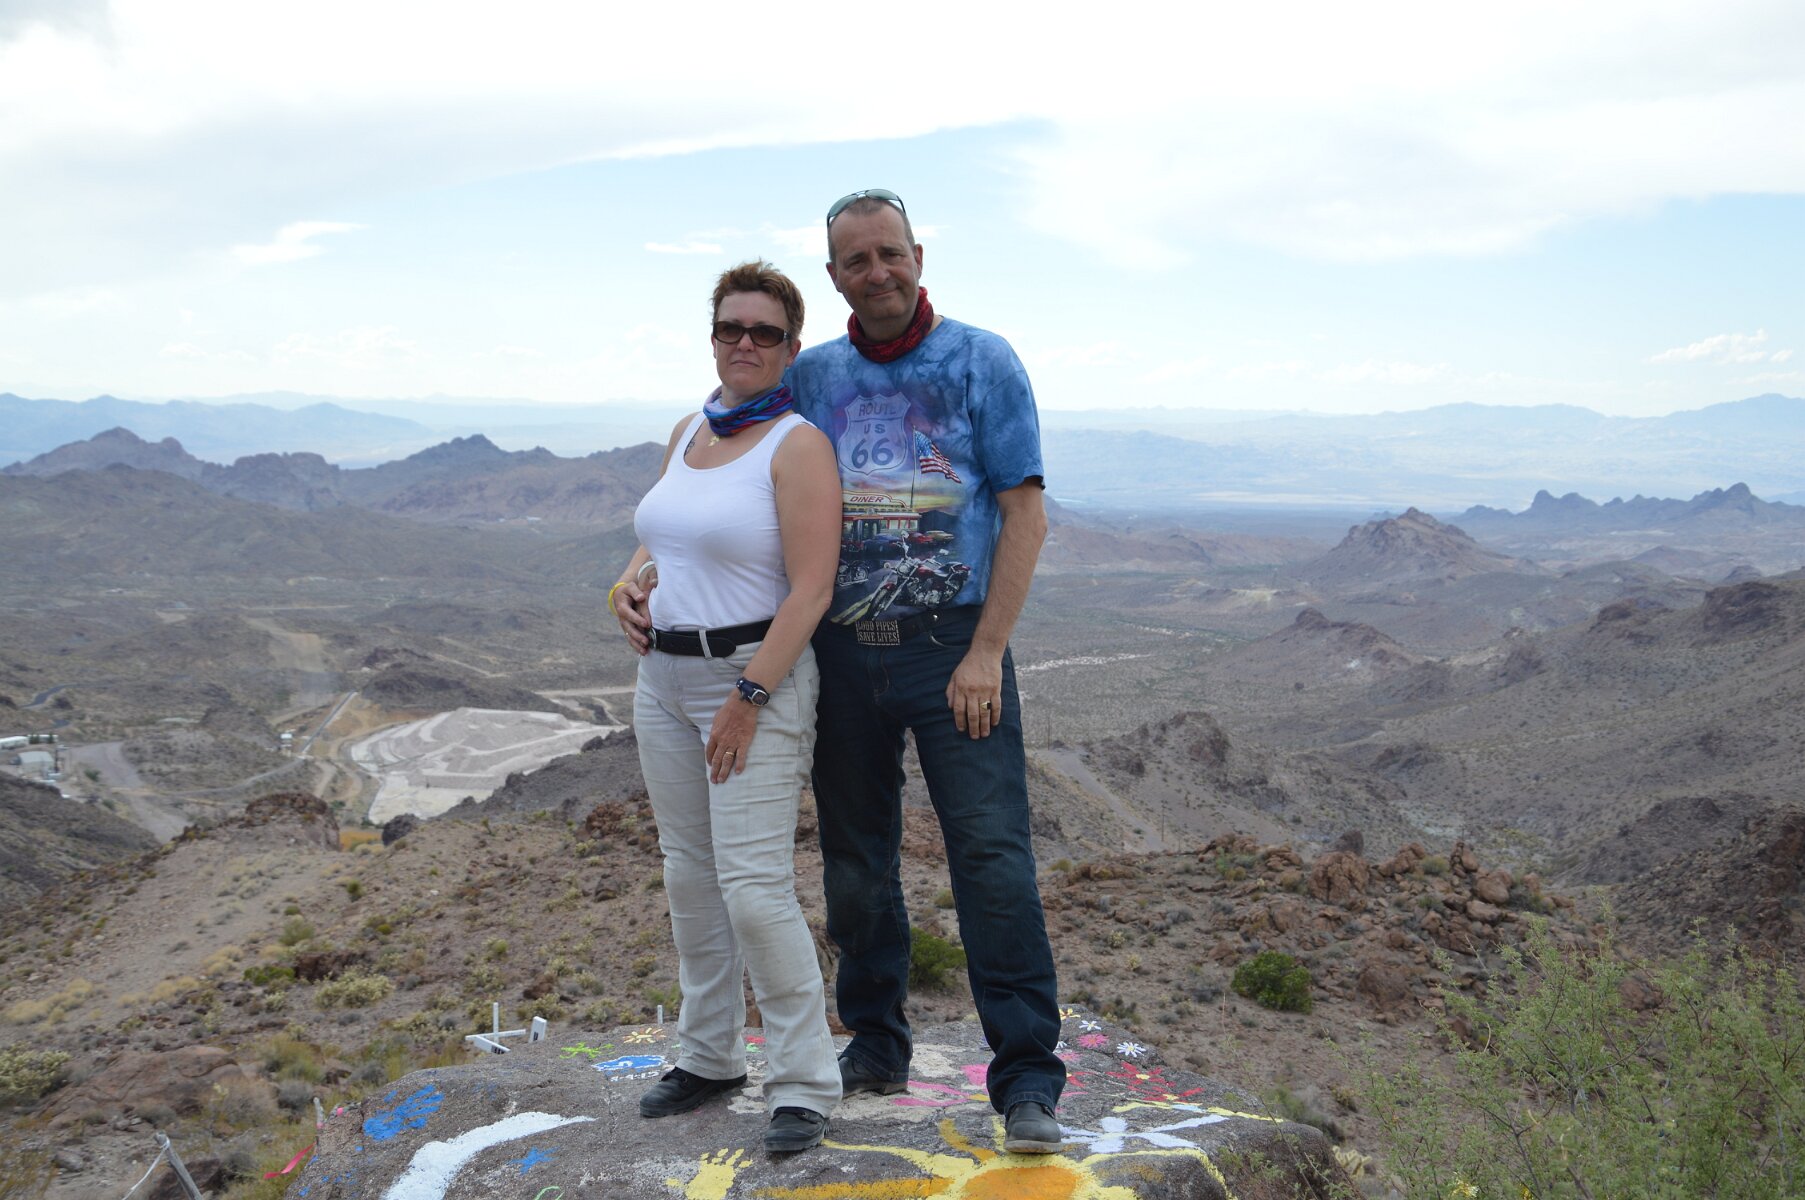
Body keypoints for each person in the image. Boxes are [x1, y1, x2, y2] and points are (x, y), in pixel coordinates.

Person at [788, 190, 1066, 1153]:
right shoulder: (812, 377)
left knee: (991, 862)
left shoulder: (982, 361)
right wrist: (646, 566)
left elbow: (1023, 513)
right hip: (841, 652)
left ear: (918, 255)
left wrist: (986, 651)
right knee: (855, 863)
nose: (877, 273)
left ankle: (1025, 1079)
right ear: (834, 278)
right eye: (856, 260)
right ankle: (874, 1044)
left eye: (890, 253)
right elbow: (740, 475)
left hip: (954, 650)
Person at [608, 260, 841, 1153]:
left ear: (790, 347)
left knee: (751, 888)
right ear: (711, 336)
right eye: (729, 328)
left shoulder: (795, 444)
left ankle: (804, 1082)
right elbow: (660, 545)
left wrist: (748, 697)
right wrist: (625, 588)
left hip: (750, 678)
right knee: (689, 877)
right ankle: (707, 1055)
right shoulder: (689, 430)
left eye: (764, 332)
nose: (745, 343)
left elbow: (811, 588)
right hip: (662, 681)